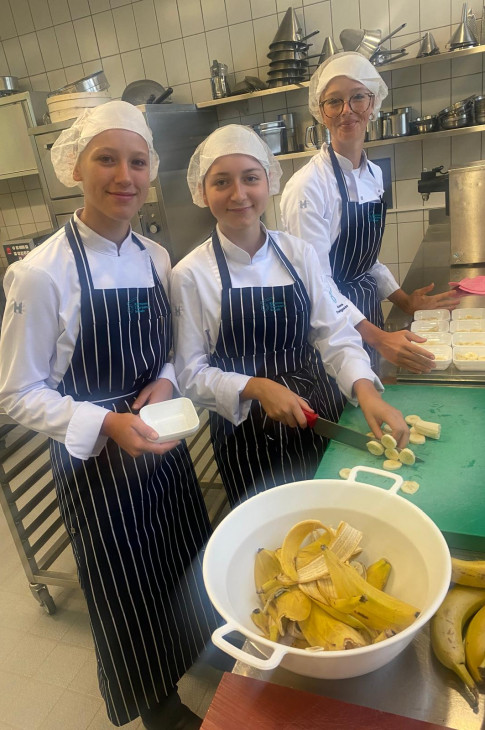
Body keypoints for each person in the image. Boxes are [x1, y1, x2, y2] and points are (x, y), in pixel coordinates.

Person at [0, 100, 219, 730]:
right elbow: (16, 392)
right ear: (76, 167)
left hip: (160, 441)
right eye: (107, 159)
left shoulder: (155, 256)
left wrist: (167, 378)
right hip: (95, 463)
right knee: (125, 587)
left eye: (138, 162)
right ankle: (156, 706)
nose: (125, 176)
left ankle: (191, 659)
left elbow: (171, 349)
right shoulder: (40, 274)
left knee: (178, 558)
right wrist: (106, 423)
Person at [170, 124, 408, 508]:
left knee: (335, 516)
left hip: (318, 412)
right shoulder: (190, 274)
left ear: (269, 181)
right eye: (221, 182)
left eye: (250, 178)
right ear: (202, 191)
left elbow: (334, 333)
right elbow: (191, 374)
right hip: (247, 435)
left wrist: (365, 390)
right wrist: (257, 387)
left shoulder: (298, 254)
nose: (239, 194)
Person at [281, 51, 458, 390]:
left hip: (366, 313)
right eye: (334, 101)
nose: (346, 110)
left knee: (373, 399)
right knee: (343, 404)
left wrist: (404, 301)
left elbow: (366, 259)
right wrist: (378, 337)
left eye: (358, 97)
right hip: (328, 330)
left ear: (373, 103)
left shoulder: (374, 174)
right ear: (321, 112)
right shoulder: (307, 187)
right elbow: (317, 284)